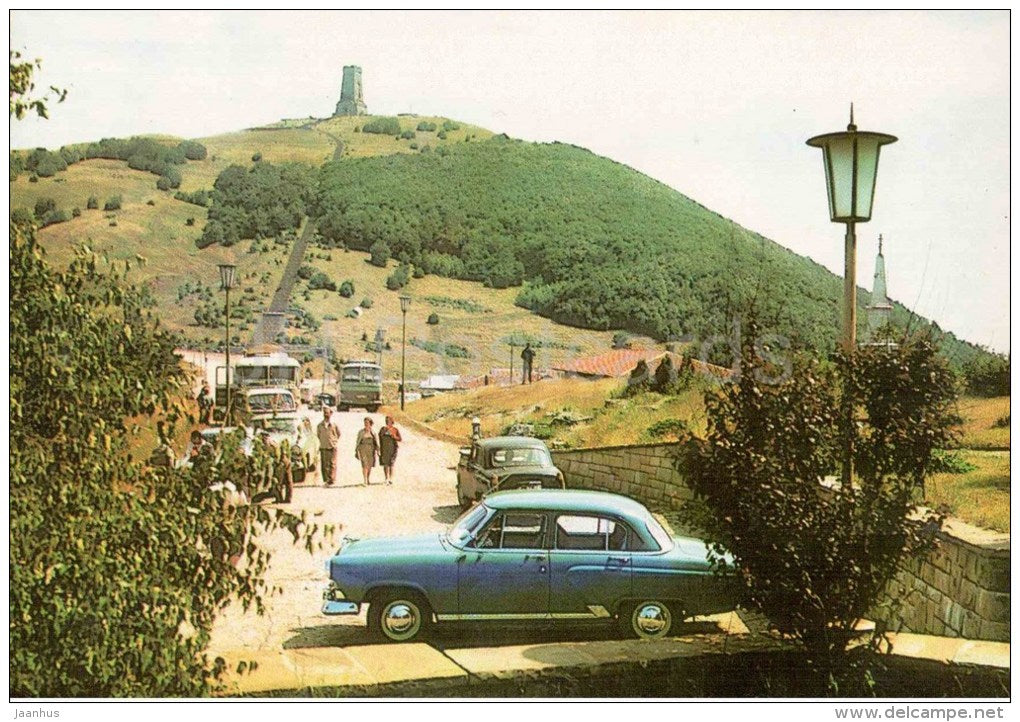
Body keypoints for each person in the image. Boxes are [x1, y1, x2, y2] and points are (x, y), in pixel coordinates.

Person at [317, 406, 340, 486]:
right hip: (323, 446)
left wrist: (333, 441)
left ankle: (332, 479)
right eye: (324, 413)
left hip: (332, 446)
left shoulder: (334, 425)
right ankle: (326, 480)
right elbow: (318, 435)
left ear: (331, 414)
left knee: (332, 463)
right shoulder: (320, 425)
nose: (326, 414)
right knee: (324, 464)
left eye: (327, 413)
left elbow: (338, 434)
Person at [378, 415, 403, 485]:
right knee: (385, 464)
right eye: (387, 421)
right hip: (384, 448)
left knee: (391, 463)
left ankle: (391, 478)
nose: (388, 422)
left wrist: (394, 436)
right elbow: (379, 437)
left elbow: (400, 439)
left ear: (392, 421)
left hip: (393, 448)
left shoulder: (395, 429)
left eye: (389, 421)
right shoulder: (383, 429)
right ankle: (386, 478)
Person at [355, 416, 379, 485]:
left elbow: (376, 442)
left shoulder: (373, 432)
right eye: (365, 422)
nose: (366, 424)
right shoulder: (361, 432)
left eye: (367, 423)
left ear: (370, 423)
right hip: (363, 448)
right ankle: (365, 479)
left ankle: (368, 478)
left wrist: (378, 450)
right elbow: (358, 441)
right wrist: (357, 450)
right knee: (364, 464)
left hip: (371, 449)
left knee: (370, 465)